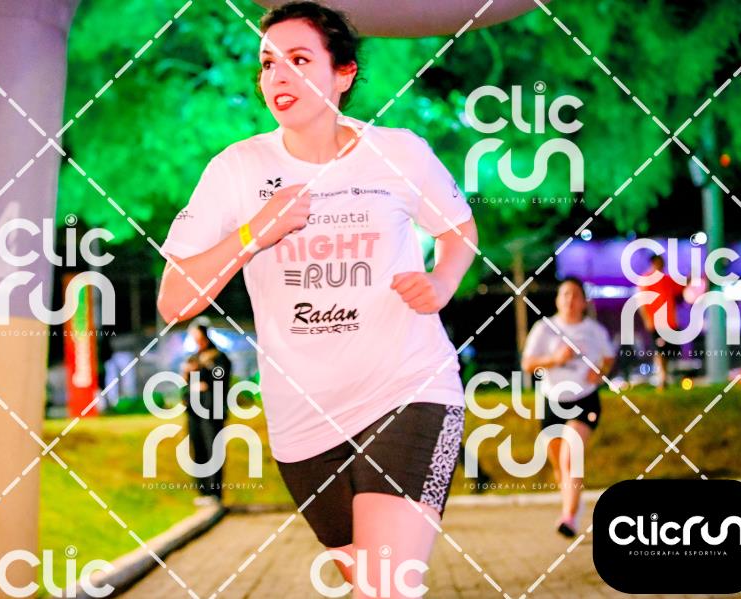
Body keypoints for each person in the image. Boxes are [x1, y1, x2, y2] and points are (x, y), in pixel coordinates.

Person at [156, 2, 477, 594]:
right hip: (303, 424)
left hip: (409, 389)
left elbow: (458, 229)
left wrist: (441, 282)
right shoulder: (236, 170)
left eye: (299, 60)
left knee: (386, 585)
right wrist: (255, 232)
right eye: (267, 63)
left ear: (343, 73)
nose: (278, 75)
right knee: (372, 586)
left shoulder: (399, 152)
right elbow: (175, 301)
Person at [521, 277, 615, 537]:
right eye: (565, 294)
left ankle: (569, 517)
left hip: (584, 399)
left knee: (570, 456)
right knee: (559, 466)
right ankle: (574, 502)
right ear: (557, 300)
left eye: (575, 295)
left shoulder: (594, 330)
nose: (570, 300)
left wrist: (600, 372)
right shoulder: (544, 328)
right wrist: (555, 359)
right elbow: (528, 364)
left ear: (584, 302)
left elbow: (608, 357)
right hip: (552, 400)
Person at [181, 320, 232, 508]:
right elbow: (186, 383)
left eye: (199, 337)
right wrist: (188, 374)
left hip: (211, 411)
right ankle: (202, 491)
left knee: (213, 450)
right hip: (194, 410)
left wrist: (205, 379)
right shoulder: (193, 358)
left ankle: (214, 492)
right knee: (198, 450)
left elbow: (221, 379)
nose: (197, 341)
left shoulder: (218, 357)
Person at [638, 254, 685, 389]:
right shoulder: (646, 279)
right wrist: (647, 319)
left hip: (670, 323)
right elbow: (642, 302)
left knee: (668, 351)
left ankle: (665, 377)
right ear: (653, 263)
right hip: (656, 323)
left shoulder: (667, 279)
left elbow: (681, 287)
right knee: (660, 350)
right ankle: (662, 378)